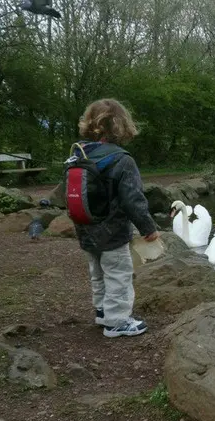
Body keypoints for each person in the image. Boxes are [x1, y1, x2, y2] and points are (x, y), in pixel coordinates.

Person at [66, 98, 158, 338]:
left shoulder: (78, 154)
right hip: (112, 232)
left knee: (97, 272)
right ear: (123, 125)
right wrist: (148, 228)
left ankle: (102, 311)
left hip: (84, 228)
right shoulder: (122, 160)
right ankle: (116, 322)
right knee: (118, 274)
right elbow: (133, 200)